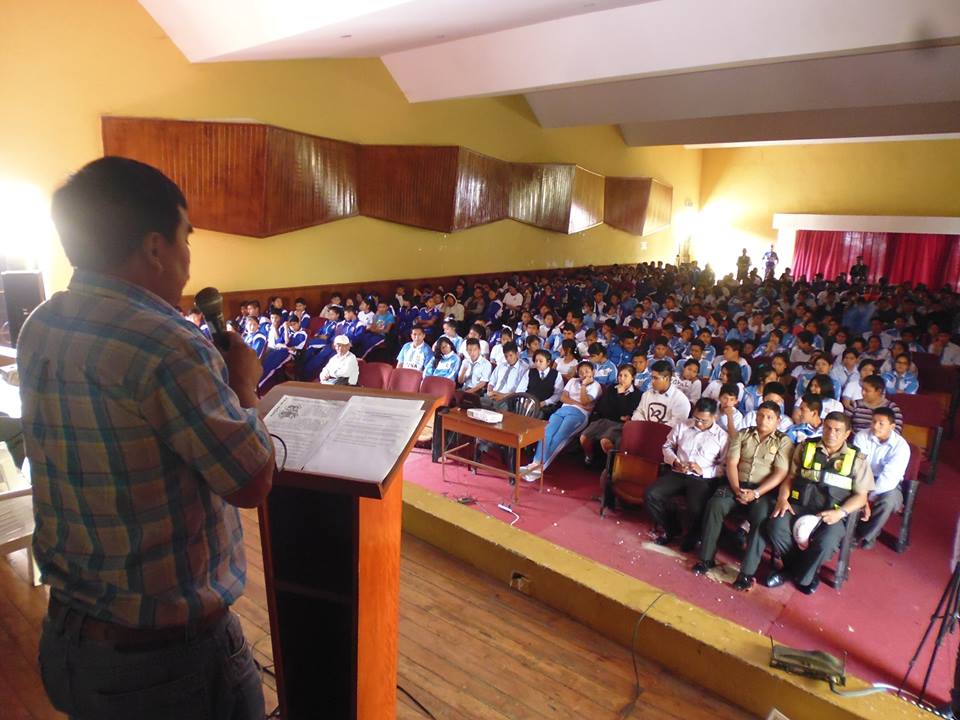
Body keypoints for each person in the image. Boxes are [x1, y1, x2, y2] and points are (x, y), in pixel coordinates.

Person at [23, 157, 273, 719]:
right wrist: (245, 387)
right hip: (165, 664)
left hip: (73, 638)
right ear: (156, 247)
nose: (189, 255)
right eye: (187, 237)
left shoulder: (43, 323)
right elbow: (250, 480)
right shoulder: (169, 345)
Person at [764, 412, 874, 594]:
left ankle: (796, 575)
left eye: (838, 430)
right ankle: (801, 571)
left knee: (827, 543)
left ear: (847, 434)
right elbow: (790, 478)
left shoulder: (857, 459)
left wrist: (840, 513)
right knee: (775, 526)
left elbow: (861, 496)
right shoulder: (806, 447)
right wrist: (783, 499)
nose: (831, 433)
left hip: (832, 513)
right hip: (799, 505)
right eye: (828, 428)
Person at [695, 401, 793, 590]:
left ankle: (746, 573)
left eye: (769, 417)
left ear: (778, 421)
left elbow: (780, 473)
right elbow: (732, 463)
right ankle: (706, 559)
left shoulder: (783, 441)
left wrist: (755, 493)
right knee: (715, 505)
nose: (764, 420)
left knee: (761, 518)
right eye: (761, 415)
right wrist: (737, 488)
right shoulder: (743, 434)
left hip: (763, 491)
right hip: (736, 485)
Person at [644, 398, 729, 551]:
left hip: (702, 479)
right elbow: (667, 446)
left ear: (714, 417)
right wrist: (675, 461)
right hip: (679, 472)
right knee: (652, 494)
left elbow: (724, 466)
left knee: (696, 508)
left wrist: (703, 471)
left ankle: (693, 536)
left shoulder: (722, 437)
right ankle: (671, 528)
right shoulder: (683, 425)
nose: (698, 423)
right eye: (696, 418)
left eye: (703, 420)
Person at [521, 361, 601, 480]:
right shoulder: (573, 381)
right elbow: (563, 398)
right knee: (546, 433)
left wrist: (584, 385)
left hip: (579, 414)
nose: (584, 374)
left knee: (559, 437)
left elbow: (585, 401)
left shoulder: (596, 386)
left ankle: (539, 468)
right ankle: (534, 463)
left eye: (587, 371)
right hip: (562, 410)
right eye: (581, 372)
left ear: (593, 372)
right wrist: (577, 403)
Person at [854, 407, 911, 549]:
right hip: (862, 478)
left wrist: (867, 497)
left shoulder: (901, 447)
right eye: (873, 421)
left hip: (890, 485)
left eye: (881, 423)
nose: (875, 426)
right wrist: (862, 491)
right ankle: (849, 529)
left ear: (892, 426)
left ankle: (862, 536)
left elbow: (889, 479)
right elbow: (858, 465)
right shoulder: (862, 436)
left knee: (888, 502)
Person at [579, 364, 640, 465]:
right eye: (620, 375)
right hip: (605, 420)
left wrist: (621, 396)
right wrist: (619, 414)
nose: (622, 379)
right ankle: (590, 457)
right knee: (584, 437)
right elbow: (604, 408)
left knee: (605, 441)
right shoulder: (612, 388)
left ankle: (612, 466)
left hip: (620, 425)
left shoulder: (637, 394)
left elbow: (628, 412)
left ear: (632, 377)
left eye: (626, 376)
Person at [632, 361, 691, 426]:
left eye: (656, 378)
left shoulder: (680, 400)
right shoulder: (647, 394)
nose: (652, 381)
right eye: (652, 378)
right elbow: (638, 412)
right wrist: (646, 426)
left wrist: (653, 428)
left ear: (666, 379)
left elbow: (676, 425)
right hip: (645, 431)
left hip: (666, 434)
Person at [483, 341, 529, 406]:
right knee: (478, 402)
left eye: (511, 355)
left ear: (517, 354)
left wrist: (501, 396)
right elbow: (492, 381)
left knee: (496, 406)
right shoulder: (501, 365)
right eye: (506, 356)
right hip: (493, 395)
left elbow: (519, 391)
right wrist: (489, 391)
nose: (508, 359)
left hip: (508, 399)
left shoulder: (524, 369)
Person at [525, 349, 564, 414]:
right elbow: (521, 388)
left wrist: (545, 402)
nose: (537, 363)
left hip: (546, 405)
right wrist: (526, 400)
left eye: (541, 361)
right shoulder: (530, 372)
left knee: (538, 414)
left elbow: (558, 394)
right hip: (528, 402)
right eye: (536, 361)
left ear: (548, 362)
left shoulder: (556, 374)